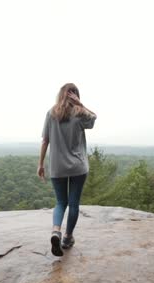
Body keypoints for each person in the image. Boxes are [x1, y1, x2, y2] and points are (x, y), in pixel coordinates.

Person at [37, 83, 97, 257]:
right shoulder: (80, 114)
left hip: (57, 166)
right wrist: (81, 104)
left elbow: (45, 141)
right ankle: (68, 237)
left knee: (60, 202)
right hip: (78, 166)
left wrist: (40, 164)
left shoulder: (51, 113)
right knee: (74, 203)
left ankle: (56, 231)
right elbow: (94, 118)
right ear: (75, 96)